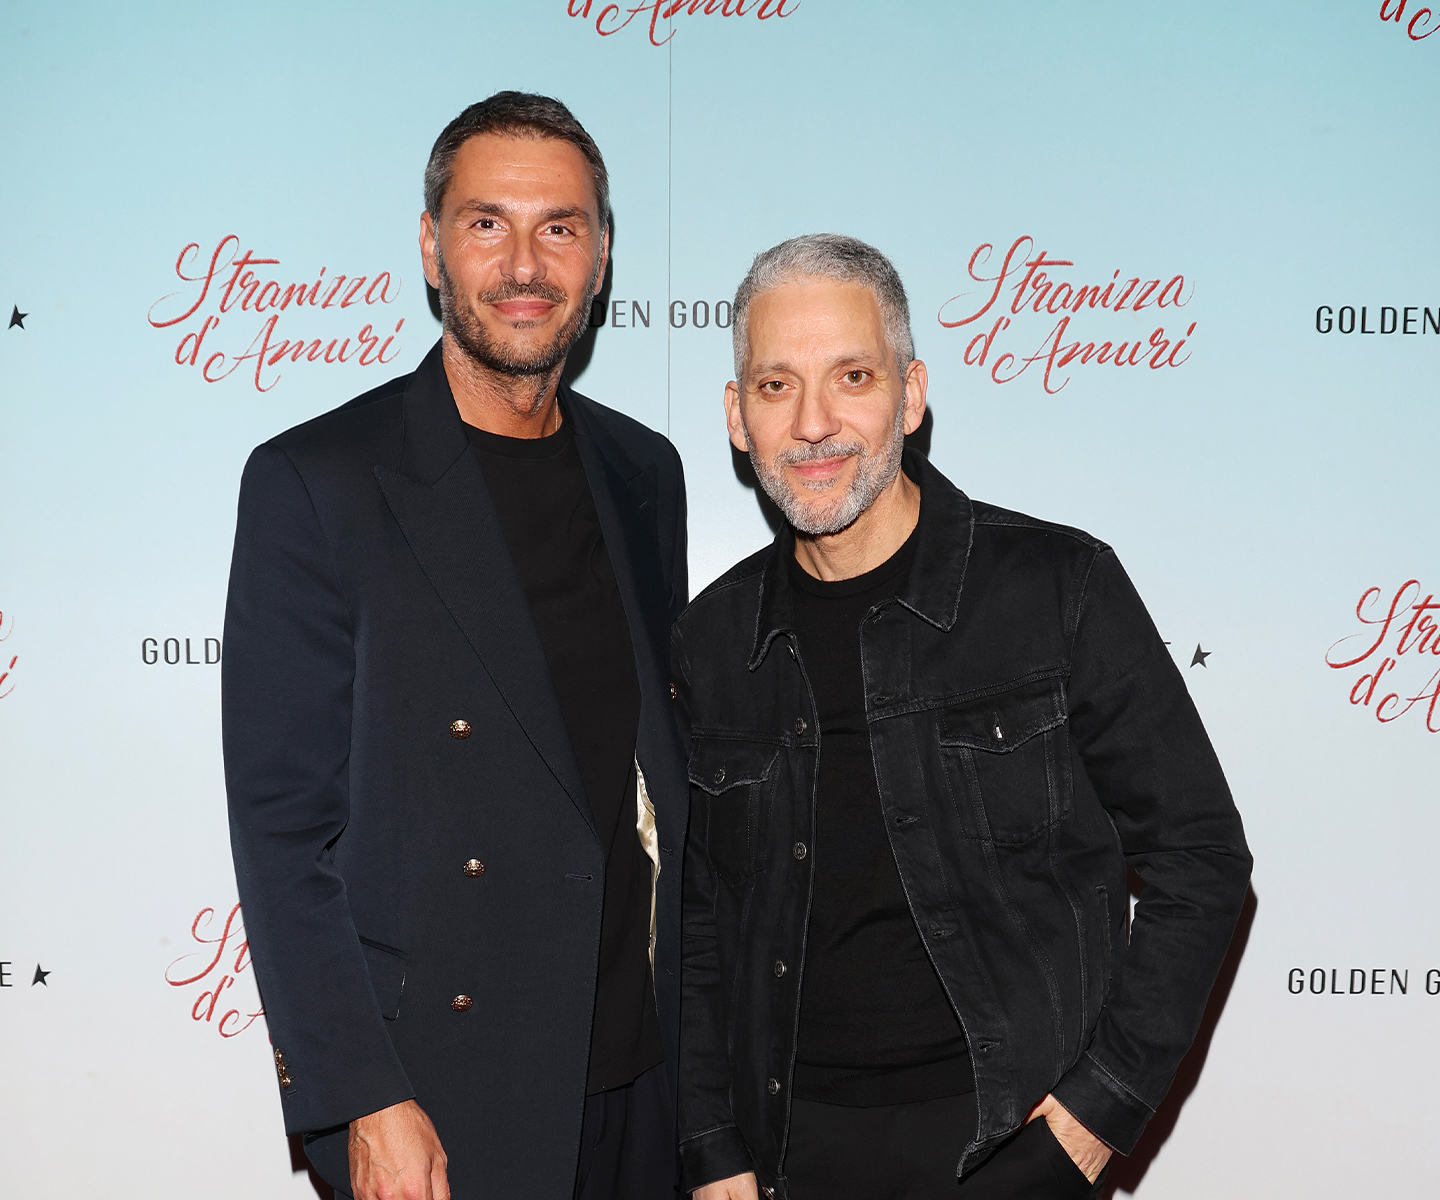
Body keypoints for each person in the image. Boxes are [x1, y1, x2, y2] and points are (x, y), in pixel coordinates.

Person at [672, 234, 1252, 1200]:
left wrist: (1090, 1123)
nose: (815, 422)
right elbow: (696, 922)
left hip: (1005, 1147)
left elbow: (1201, 857)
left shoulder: (1057, 590)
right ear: (739, 418)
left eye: (851, 376)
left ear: (910, 393)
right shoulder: (710, 640)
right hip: (781, 1157)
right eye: (776, 386)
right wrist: (711, 1146)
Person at [222, 92, 688, 1200]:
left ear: (602, 254)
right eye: (487, 224)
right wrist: (362, 1095)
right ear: (432, 249)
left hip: (647, 1083)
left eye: (560, 227)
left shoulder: (644, 472)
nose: (524, 263)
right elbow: (285, 831)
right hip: (444, 1091)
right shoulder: (318, 481)